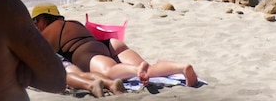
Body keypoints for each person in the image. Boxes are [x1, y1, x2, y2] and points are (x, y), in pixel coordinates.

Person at [31, 5, 198, 87]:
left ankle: (135, 71)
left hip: (85, 52)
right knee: (149, 69)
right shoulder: (73, 22)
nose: (35, 25)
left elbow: (45, 56)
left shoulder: (47, 32)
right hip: (109, 44)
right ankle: (181, 67)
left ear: (44, 18)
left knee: (109, 72)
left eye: (35, 20)